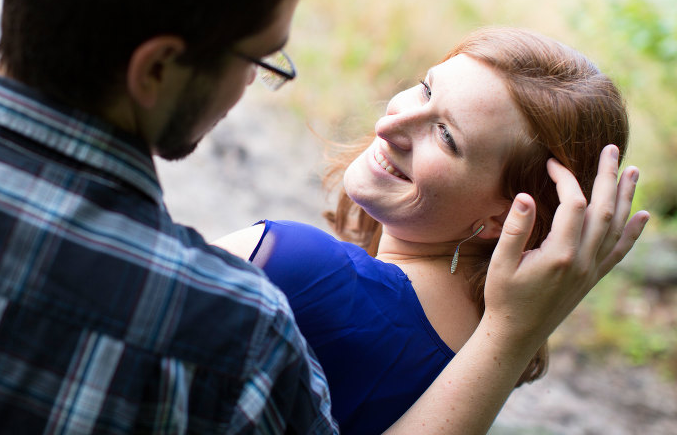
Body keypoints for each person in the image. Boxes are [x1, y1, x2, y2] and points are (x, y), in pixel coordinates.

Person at [0, 0, 648, 433]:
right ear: (158, 69)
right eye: (258, 59)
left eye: (446, 134)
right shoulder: (237, 325)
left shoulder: (280, 282)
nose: (391, 121)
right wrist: (512, 337)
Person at [213, 27, 650, 434]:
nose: (387, 125)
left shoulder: (294, 264)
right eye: (426, 88)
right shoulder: (481, 360)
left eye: (445, 135)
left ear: (506, 219)